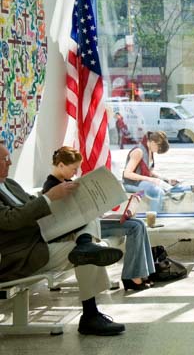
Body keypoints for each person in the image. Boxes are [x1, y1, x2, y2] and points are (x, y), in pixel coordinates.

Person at [0, 141, 125, 336]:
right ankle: (90, 316)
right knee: (85, 255)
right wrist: (49, 198)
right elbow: (10, 219)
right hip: (21, 256)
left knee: (89, 218)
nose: (9, 163)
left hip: (40, 239)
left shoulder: (9, 183)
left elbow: (30, 203)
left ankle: (85, 244)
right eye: (4, 159)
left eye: (8, 158)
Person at [43, 146, 156, 292]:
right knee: (135, 227)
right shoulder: (52, 187)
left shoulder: (67, 182)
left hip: (90, 222)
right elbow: (64, 218)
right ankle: (133, 277)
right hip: (79, 230)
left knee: (138, 223)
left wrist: (115, 216)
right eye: (73, 169)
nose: (75, 172)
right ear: (60, 165)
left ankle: (143, 274)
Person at [122, 131, 184, 212]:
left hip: (142, 182)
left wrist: (166, 180)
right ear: (153, 143)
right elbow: (127, 174)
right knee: (157, 191)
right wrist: (150, 179)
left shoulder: (150, 151)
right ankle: (154, 217)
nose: (158, 151)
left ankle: (159, 214)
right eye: (159, 148)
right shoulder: (138, 151)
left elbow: (150, 173)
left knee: (174, 188)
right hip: (131, 183)